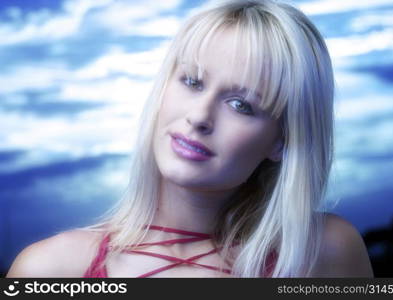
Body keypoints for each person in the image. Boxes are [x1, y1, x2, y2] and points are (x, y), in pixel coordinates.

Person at [7, 0, 374, 278]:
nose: (199, 117)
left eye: (240, 104)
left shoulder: (326, 251)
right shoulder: (49, 269)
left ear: (281, 141)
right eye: (192, 82)